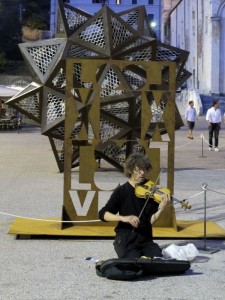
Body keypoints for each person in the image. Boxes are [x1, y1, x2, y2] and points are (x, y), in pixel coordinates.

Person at [98, 152, 171, 259]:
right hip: (126, 237)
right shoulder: (121, 191)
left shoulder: (150, 192)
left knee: (156, 259)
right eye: (139, 170)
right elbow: (103, 214)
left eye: (144, 170)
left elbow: (151, 220)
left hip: (145, 238)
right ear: (130, 170)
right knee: (133, 260)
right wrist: (123, 218)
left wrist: (162, 208)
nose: (142, 173)